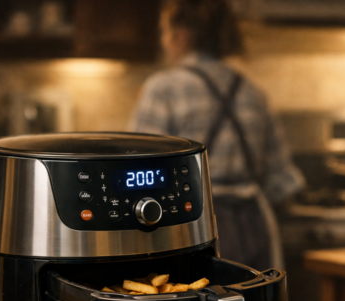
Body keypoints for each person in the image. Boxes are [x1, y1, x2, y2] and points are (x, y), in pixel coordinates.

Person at [129, 0, 304, 270]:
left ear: (183, 32)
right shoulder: (252, 92)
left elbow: (139, 173)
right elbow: (280, 183)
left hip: (196, 227)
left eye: (165, 31)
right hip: (255, 224)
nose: (164, 41)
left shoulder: (163, 89)